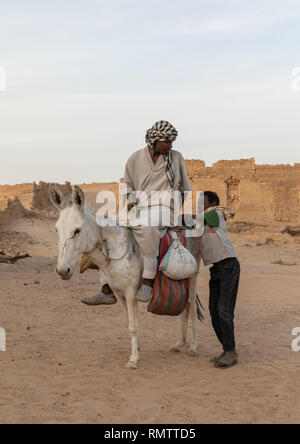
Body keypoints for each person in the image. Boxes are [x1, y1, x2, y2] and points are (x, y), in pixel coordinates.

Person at [81, 120, 192, 306]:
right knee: (107, 228)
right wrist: (130, 199)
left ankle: (147, 283)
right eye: (168, 141)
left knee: (148, 227)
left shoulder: (176, 157)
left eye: (173, 141)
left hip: (164, 208)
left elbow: (185, 186)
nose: (171, 145)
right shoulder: (135, 158)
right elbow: (127, 184)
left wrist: (176, 207)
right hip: (139, 206)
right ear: (156, 141)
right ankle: (106, 288)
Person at [201, 191, 240, 369]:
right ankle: (226, 349)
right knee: (214, 311)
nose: (200, 204)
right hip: (216, 269)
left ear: (213, 203)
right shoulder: (202, 222)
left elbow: (197, 219)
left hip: (229, 267)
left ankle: (231, 352)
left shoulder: (214, 214)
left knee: (224, 310)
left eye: (203, 201)